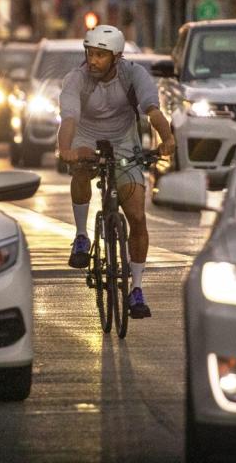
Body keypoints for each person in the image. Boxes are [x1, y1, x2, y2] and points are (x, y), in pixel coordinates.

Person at [57, 25, 176, 319]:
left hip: (124, 142)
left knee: (136, 214)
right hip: (85, 138)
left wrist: (168, 139)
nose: (93, 60)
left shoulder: (134, 75)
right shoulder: (76, 79)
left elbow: (153, 111)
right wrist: (66, 149)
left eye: (100, 55)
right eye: (89, 53)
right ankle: (82, 235)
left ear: (117, 56)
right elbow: (69, 118)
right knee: (81, 171)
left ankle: (136, 288)